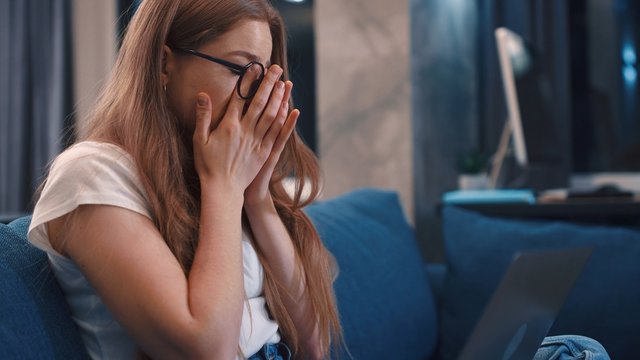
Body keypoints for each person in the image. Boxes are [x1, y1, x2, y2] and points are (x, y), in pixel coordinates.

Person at [28, 0, 340, 359]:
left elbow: (314, 343)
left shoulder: (219, 173)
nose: (254, 102)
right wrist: (224, 187)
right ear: (164, 64)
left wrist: (256, 196)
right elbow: (208, 350)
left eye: (264, 80)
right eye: (240, 70)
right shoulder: (93, 174)